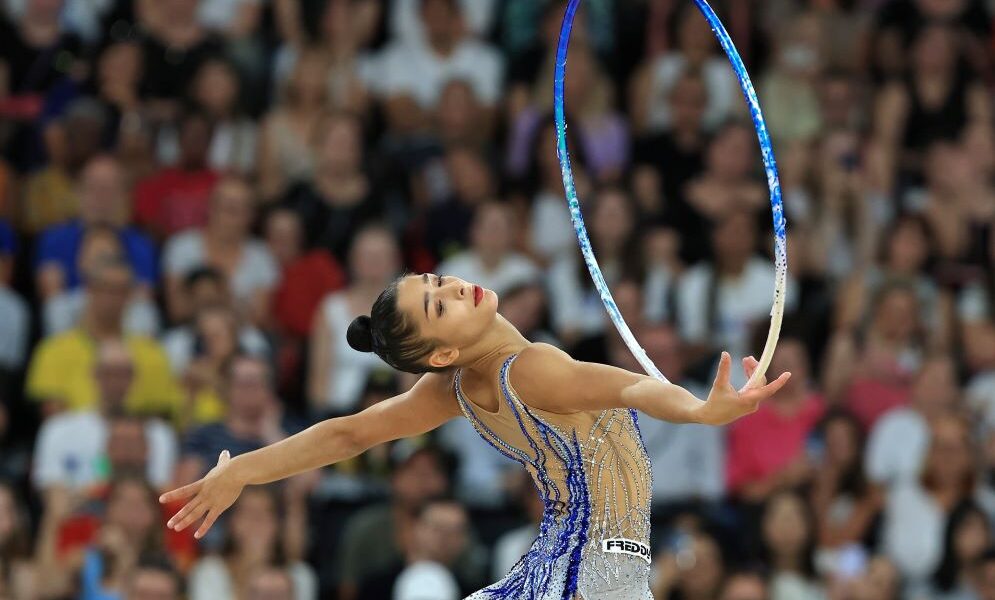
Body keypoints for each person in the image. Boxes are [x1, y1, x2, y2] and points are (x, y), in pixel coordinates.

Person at [160, 270, 791, 599]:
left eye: (436, 283)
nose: (456, 288)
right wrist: (700, 411)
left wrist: (243, 468)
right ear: (441, 353)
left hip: (557, 569)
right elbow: (631, 388)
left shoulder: (455, 389)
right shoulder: (532, 369)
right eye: (439, 307)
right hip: (595, 576)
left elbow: (348, 436)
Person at [32, 340, 178, 492]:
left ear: (134, 378)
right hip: (80, 513)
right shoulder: (58, 429)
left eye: (123, 374)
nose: (115, 382)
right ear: (94, 374)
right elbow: (52, 494)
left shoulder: (158, 433)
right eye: (108, 373)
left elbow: (162, 493)